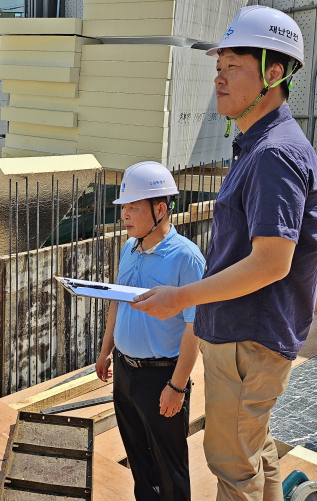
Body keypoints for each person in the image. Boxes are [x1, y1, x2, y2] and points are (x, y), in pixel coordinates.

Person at [129, 7, 317, 501]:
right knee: (255, 453)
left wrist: (181, 297)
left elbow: (271, 262)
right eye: (218, 68)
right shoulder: (257, 145)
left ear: (273, 72)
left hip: (248, 339)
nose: (218, 79)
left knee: (231, 466)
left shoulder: (273, 154)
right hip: (245, 336)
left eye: (232, 67)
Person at [95, 161, 205, 501]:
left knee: (169, 466)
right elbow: (117, 301)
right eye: (124, 208)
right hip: (125, 373)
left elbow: (195, 326)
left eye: (133, 208)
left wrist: (178, 385)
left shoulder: (186, 258)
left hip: (161, 377)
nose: (125, 215)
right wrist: (105, 351)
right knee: (139, 461)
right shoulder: (129, 248)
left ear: (160, 209)